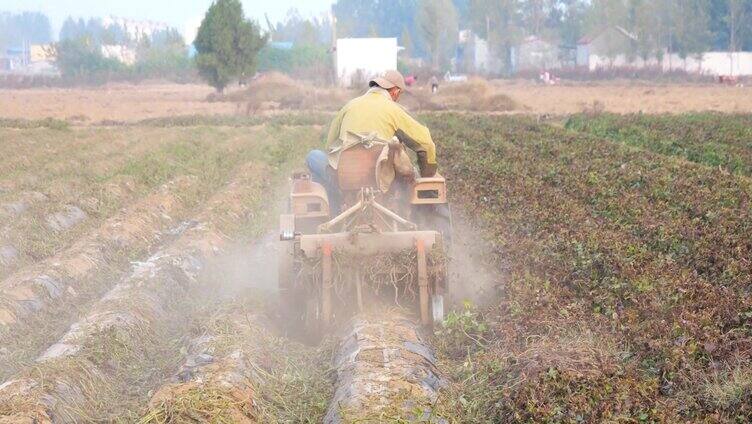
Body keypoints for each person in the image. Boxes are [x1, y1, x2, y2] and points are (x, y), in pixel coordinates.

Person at [306, 70, 438, 214]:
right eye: (399, 95)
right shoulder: (394, 110)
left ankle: (334, 209)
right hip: (383, 178)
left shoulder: (348, 107)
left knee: (314, 156)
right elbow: (426, 144)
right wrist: (427, 176)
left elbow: (330, 145)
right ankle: (411, 214)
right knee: (408, 170)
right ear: (395, 91)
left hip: (346, 176)